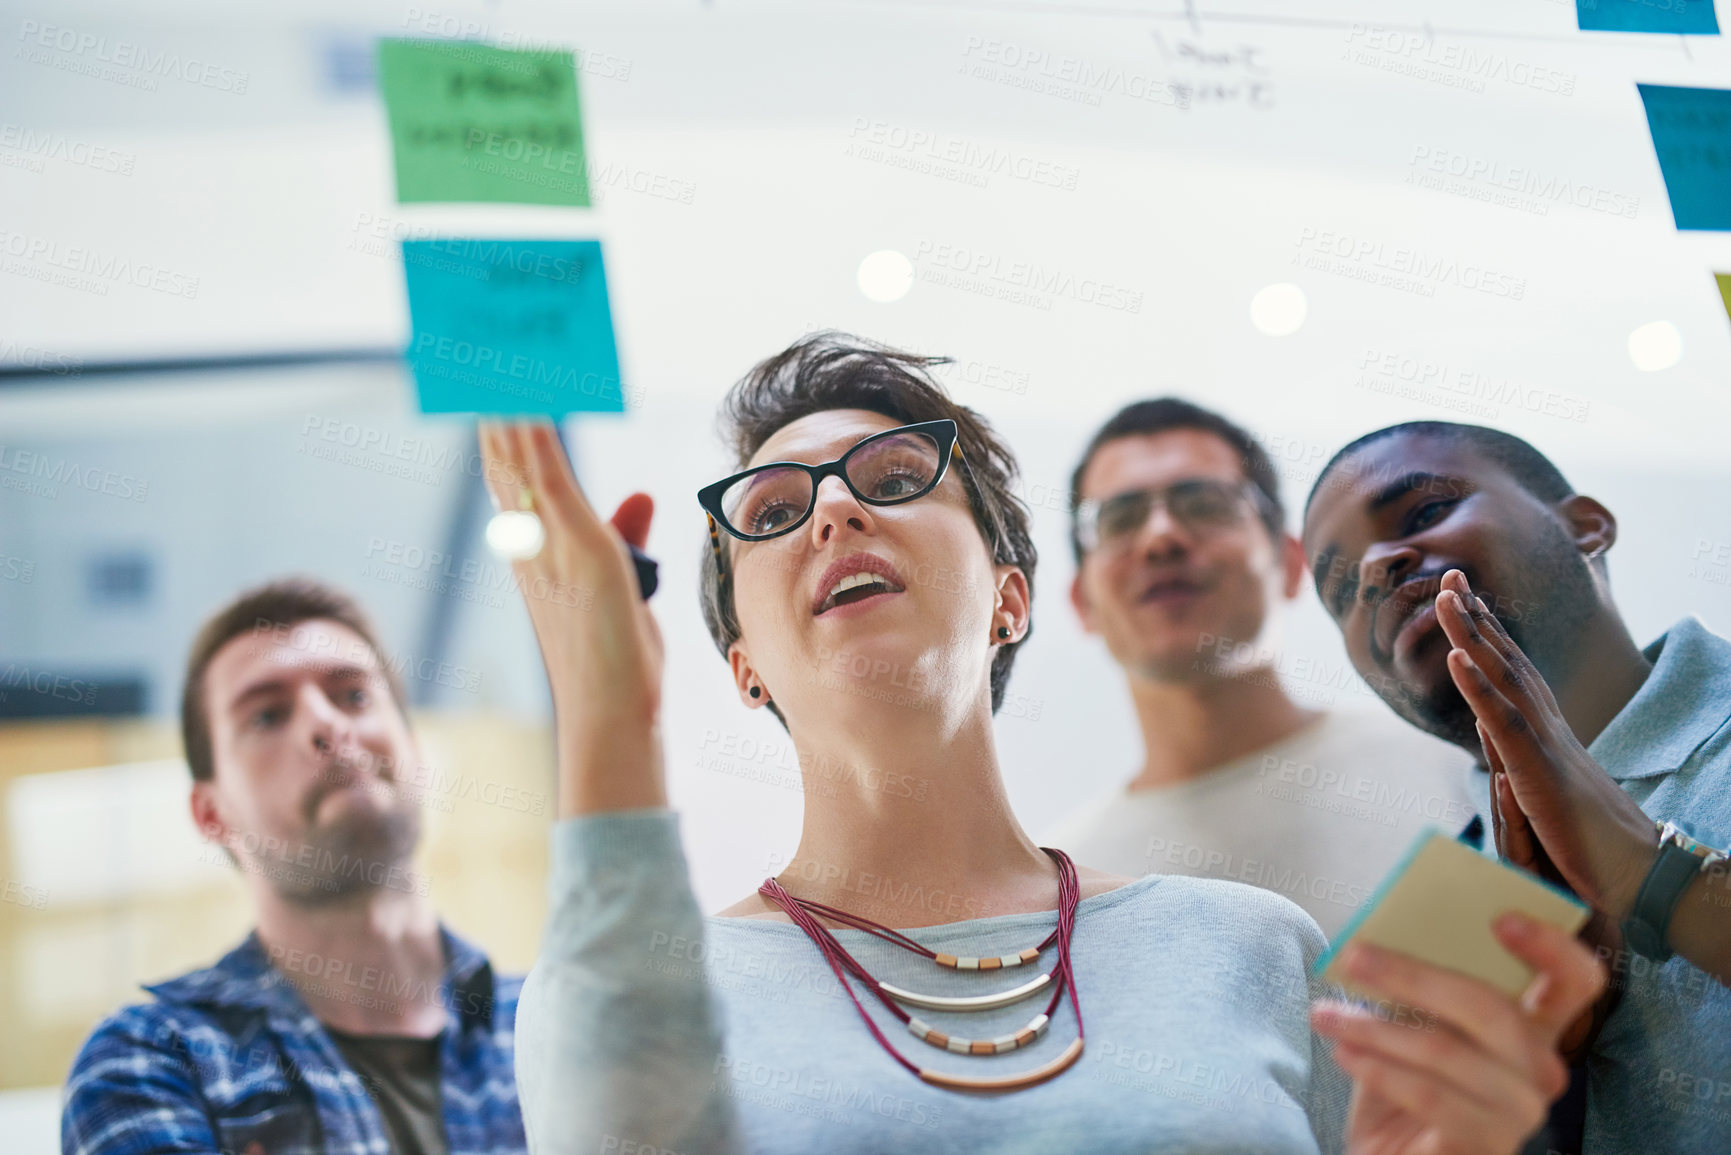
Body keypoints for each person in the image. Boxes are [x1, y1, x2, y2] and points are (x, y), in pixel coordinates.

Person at [500, 333, 1601, 1155]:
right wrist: (607, 716)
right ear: (743, 665)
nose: (834, 514)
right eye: (776, 511)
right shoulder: (631, 983)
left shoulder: (1250, 948)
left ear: (1011, 599)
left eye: (892, 480)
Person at [1301, 420, 1731, 1154]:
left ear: (1585, 527)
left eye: (1427, 512)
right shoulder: (1421, 939)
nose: (1376, 565)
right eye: (1342, 587)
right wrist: (1547, 1088)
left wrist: (1649, 873)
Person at [62, 579, 527, 1155]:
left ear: (415, 751)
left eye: (353, 696)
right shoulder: (150, 1061)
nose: (327, 725)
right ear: (212, 813)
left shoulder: (550, 1023)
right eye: (267, 716)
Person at [1049, 399, 1474, 937]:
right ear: (1081, 602)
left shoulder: (1458, 762)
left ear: (1292, 565)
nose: (1160, 538)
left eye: (1204, 503)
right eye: (1118, 519)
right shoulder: (1066, 892)